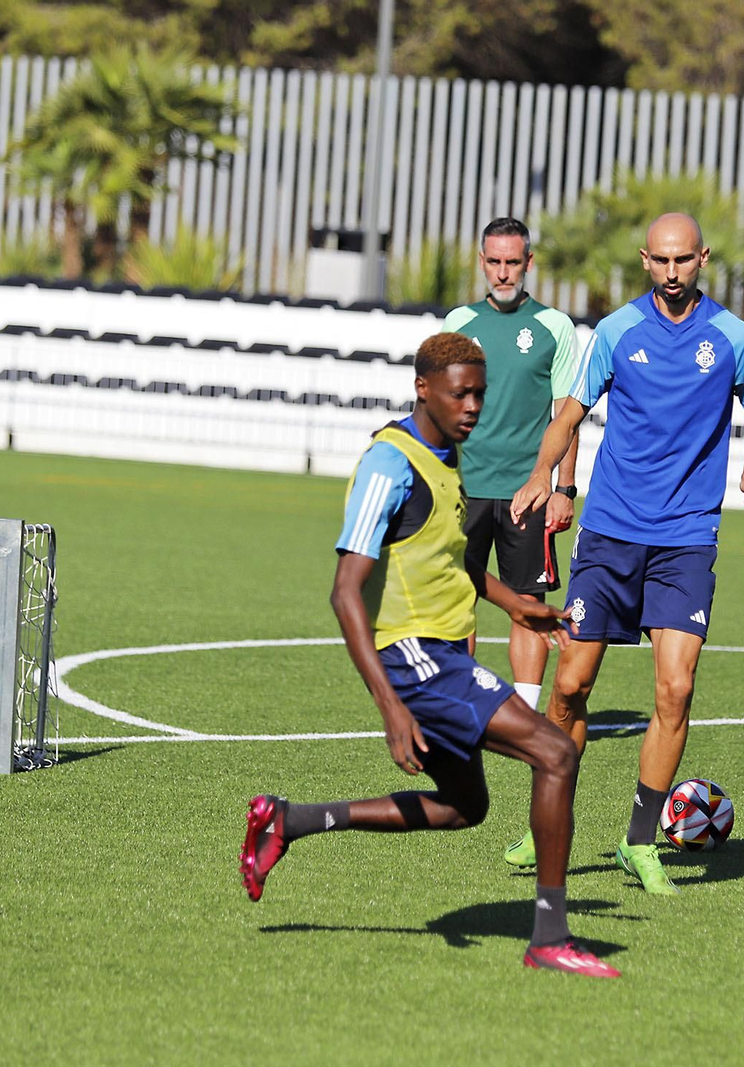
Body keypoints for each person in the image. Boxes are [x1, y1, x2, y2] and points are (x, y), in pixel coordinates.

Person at [238, 332, 619, 979]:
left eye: (479, 392)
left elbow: (455, 559)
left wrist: (513, 603)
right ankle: (550, 936)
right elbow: (344, 591)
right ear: (424, 388)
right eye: (459, 393)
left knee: (464, 807)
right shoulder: (391, 463)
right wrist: (390, 706)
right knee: (556, 752)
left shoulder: (447, 457)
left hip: (438, 654)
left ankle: (289, 820)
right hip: (415, 657)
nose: (473, 405)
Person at [506, 212, 744, 894]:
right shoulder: (619, 333)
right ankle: (547, 817)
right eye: (660, 260)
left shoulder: (734, 338)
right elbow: (568, 413)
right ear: (644, 260)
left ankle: (638, 840)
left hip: (687, 538)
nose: (672, 272)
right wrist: (543, 472)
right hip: (611, 534)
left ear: (703, 258)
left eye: (683, 260)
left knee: (676, 687)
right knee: (570, 684)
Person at [443, 218, 582, 722]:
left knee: (527, 602)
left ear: (529, 263)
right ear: (482, 262)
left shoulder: (555, 328)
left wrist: (564, 487)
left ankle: (522, 714)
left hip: (530, 490)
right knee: (458, 597)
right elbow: (437, 406)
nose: (504, 273)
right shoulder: (457, 323)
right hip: (465, 488)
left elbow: (569, 413)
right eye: (495, 262)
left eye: (513, 262)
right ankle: (457, 705)